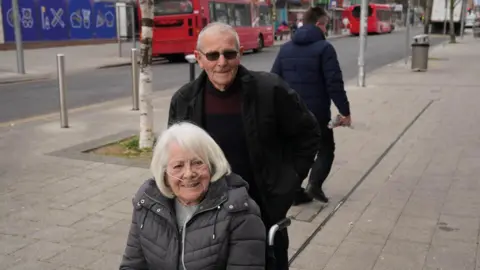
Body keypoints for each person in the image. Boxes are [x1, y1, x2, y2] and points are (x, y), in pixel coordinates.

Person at [168, 22, 321, 270]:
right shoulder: (184, 100)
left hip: (260, 217)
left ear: (239, 54)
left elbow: (309, 134)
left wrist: (286, 185)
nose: (222, 62)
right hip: (205, 220)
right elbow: (172, 158)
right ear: (199, 58)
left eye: (229, 53)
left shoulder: (270, 90)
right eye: (213, 55)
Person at [119, 122, 266, 270]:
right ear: (164, 174)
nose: (189, 173)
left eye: (197, 163)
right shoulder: (147, 202)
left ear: (212, 165)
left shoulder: (239, 212)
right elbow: (132, 265)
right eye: (178, 166)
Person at [271, 7, 352, 205]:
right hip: (317, 113)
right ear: (318, 24)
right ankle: (314, 184)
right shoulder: (325, 48)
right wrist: (345, 111)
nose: (326, 30)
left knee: (294, 152)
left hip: (290, 113)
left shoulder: (286, 48)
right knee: (325, 149)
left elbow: (274, 80)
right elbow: (334, 83)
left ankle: (295, 192)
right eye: (325, 25)